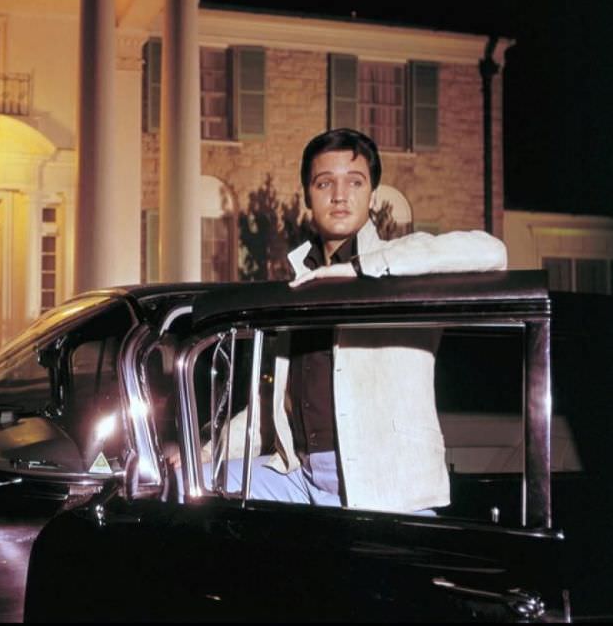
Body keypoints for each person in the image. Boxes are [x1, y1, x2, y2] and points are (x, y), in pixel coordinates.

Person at [211, 128, 507, 513]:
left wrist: (360, 269)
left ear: (371, 194)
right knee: (194, 481)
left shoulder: (400, 266)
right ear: (306, 195)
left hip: (386, 488)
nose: (339, 195)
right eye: (324, 183)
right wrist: (199, 454)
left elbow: (492, 252)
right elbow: (273, 407)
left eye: (355, 182)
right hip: (300, 478)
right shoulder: (300, 285)